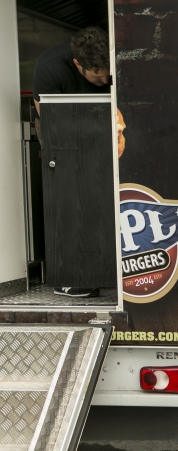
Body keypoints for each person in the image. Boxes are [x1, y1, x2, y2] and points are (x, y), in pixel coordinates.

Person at [33, 27, 111, 298]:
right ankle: (72, 272)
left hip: (109, 122)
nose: (104, 80)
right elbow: (49, 117)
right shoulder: (50, 66)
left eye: (107, 75)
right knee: (66, 188)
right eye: (97, 77)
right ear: (78, 65)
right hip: (61, 125)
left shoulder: (113, 64)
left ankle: (111, 266)